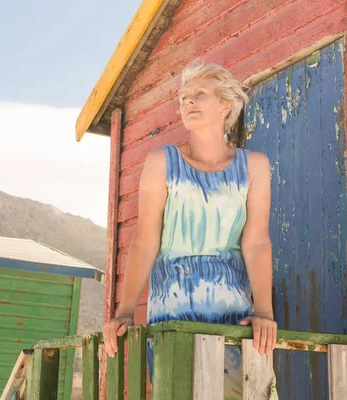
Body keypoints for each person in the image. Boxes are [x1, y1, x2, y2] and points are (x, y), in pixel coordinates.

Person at [103, 63, 278, 399]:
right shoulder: (162, 162)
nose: (188, 102)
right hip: (172, 305)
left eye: (199, 94)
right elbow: (145, 240)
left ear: (226, 104)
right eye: (183, 98)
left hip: (233, 310)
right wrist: (124, 311)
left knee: (238, 393)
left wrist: (264, 313)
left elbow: (256, 242)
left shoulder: (254, 166)